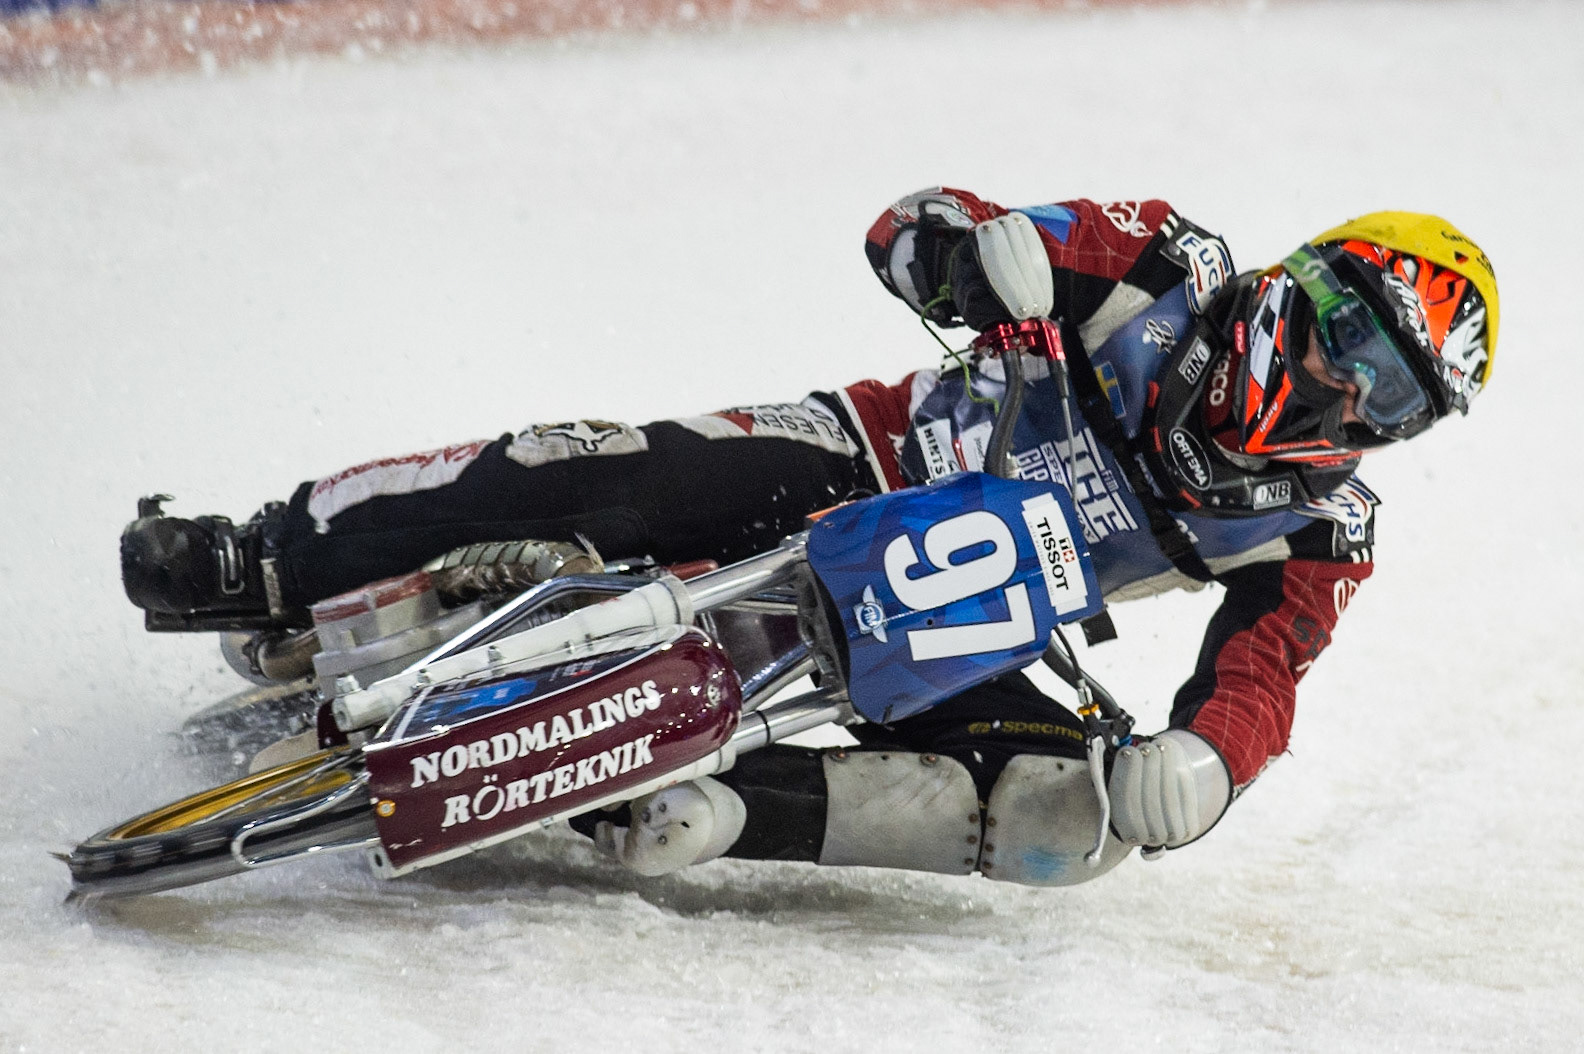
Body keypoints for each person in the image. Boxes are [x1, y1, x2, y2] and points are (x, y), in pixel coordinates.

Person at [119, 189, 1498, 886]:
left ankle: (718, 815)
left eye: (1388, 392)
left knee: (1069, 826)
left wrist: (1207, 760)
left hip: (972, 623)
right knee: (600, 469)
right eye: (1349, 339)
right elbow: (918, 222)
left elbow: (1268, 676)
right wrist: (973, 254)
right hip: (864, 450)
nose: (1339, 390)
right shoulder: (1165, 265)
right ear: (1302, 285)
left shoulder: (1322, 525)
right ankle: (266, 554)